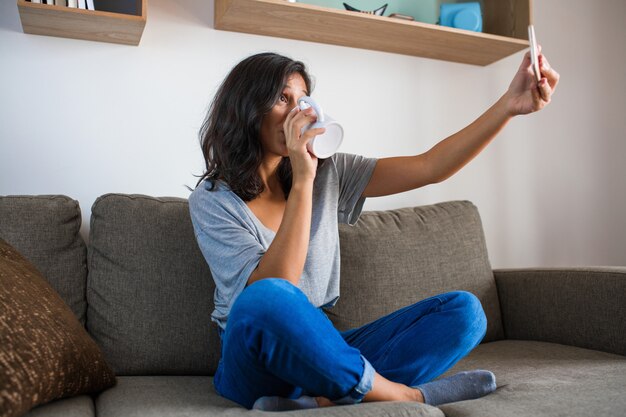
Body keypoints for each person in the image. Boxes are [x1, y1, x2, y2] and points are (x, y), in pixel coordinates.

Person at [189, 51, 559, 411]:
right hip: (255, 359)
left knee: (466, 312)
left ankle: (318, 399)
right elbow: (281, 285)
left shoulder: (328, 172)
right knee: (266, 298)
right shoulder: (213, 200)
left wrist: (509, 105)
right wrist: (303, 180)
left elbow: (431, 166)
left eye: (304, 99)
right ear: (247, 108)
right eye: (283, 98)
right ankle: (404, 395)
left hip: (324, 347)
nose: (299, 111)